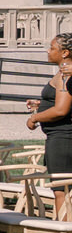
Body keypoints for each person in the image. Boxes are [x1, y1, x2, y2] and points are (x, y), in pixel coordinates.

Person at [25, 33, 72, 177]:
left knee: (61, 190)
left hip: (62, 139)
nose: (48, 51)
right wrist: (43, 104)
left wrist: (34, 118)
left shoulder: (66, 73)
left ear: (64, 52)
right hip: (60, 138)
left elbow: (61, 110)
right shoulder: (64, 72)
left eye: (52, 48)